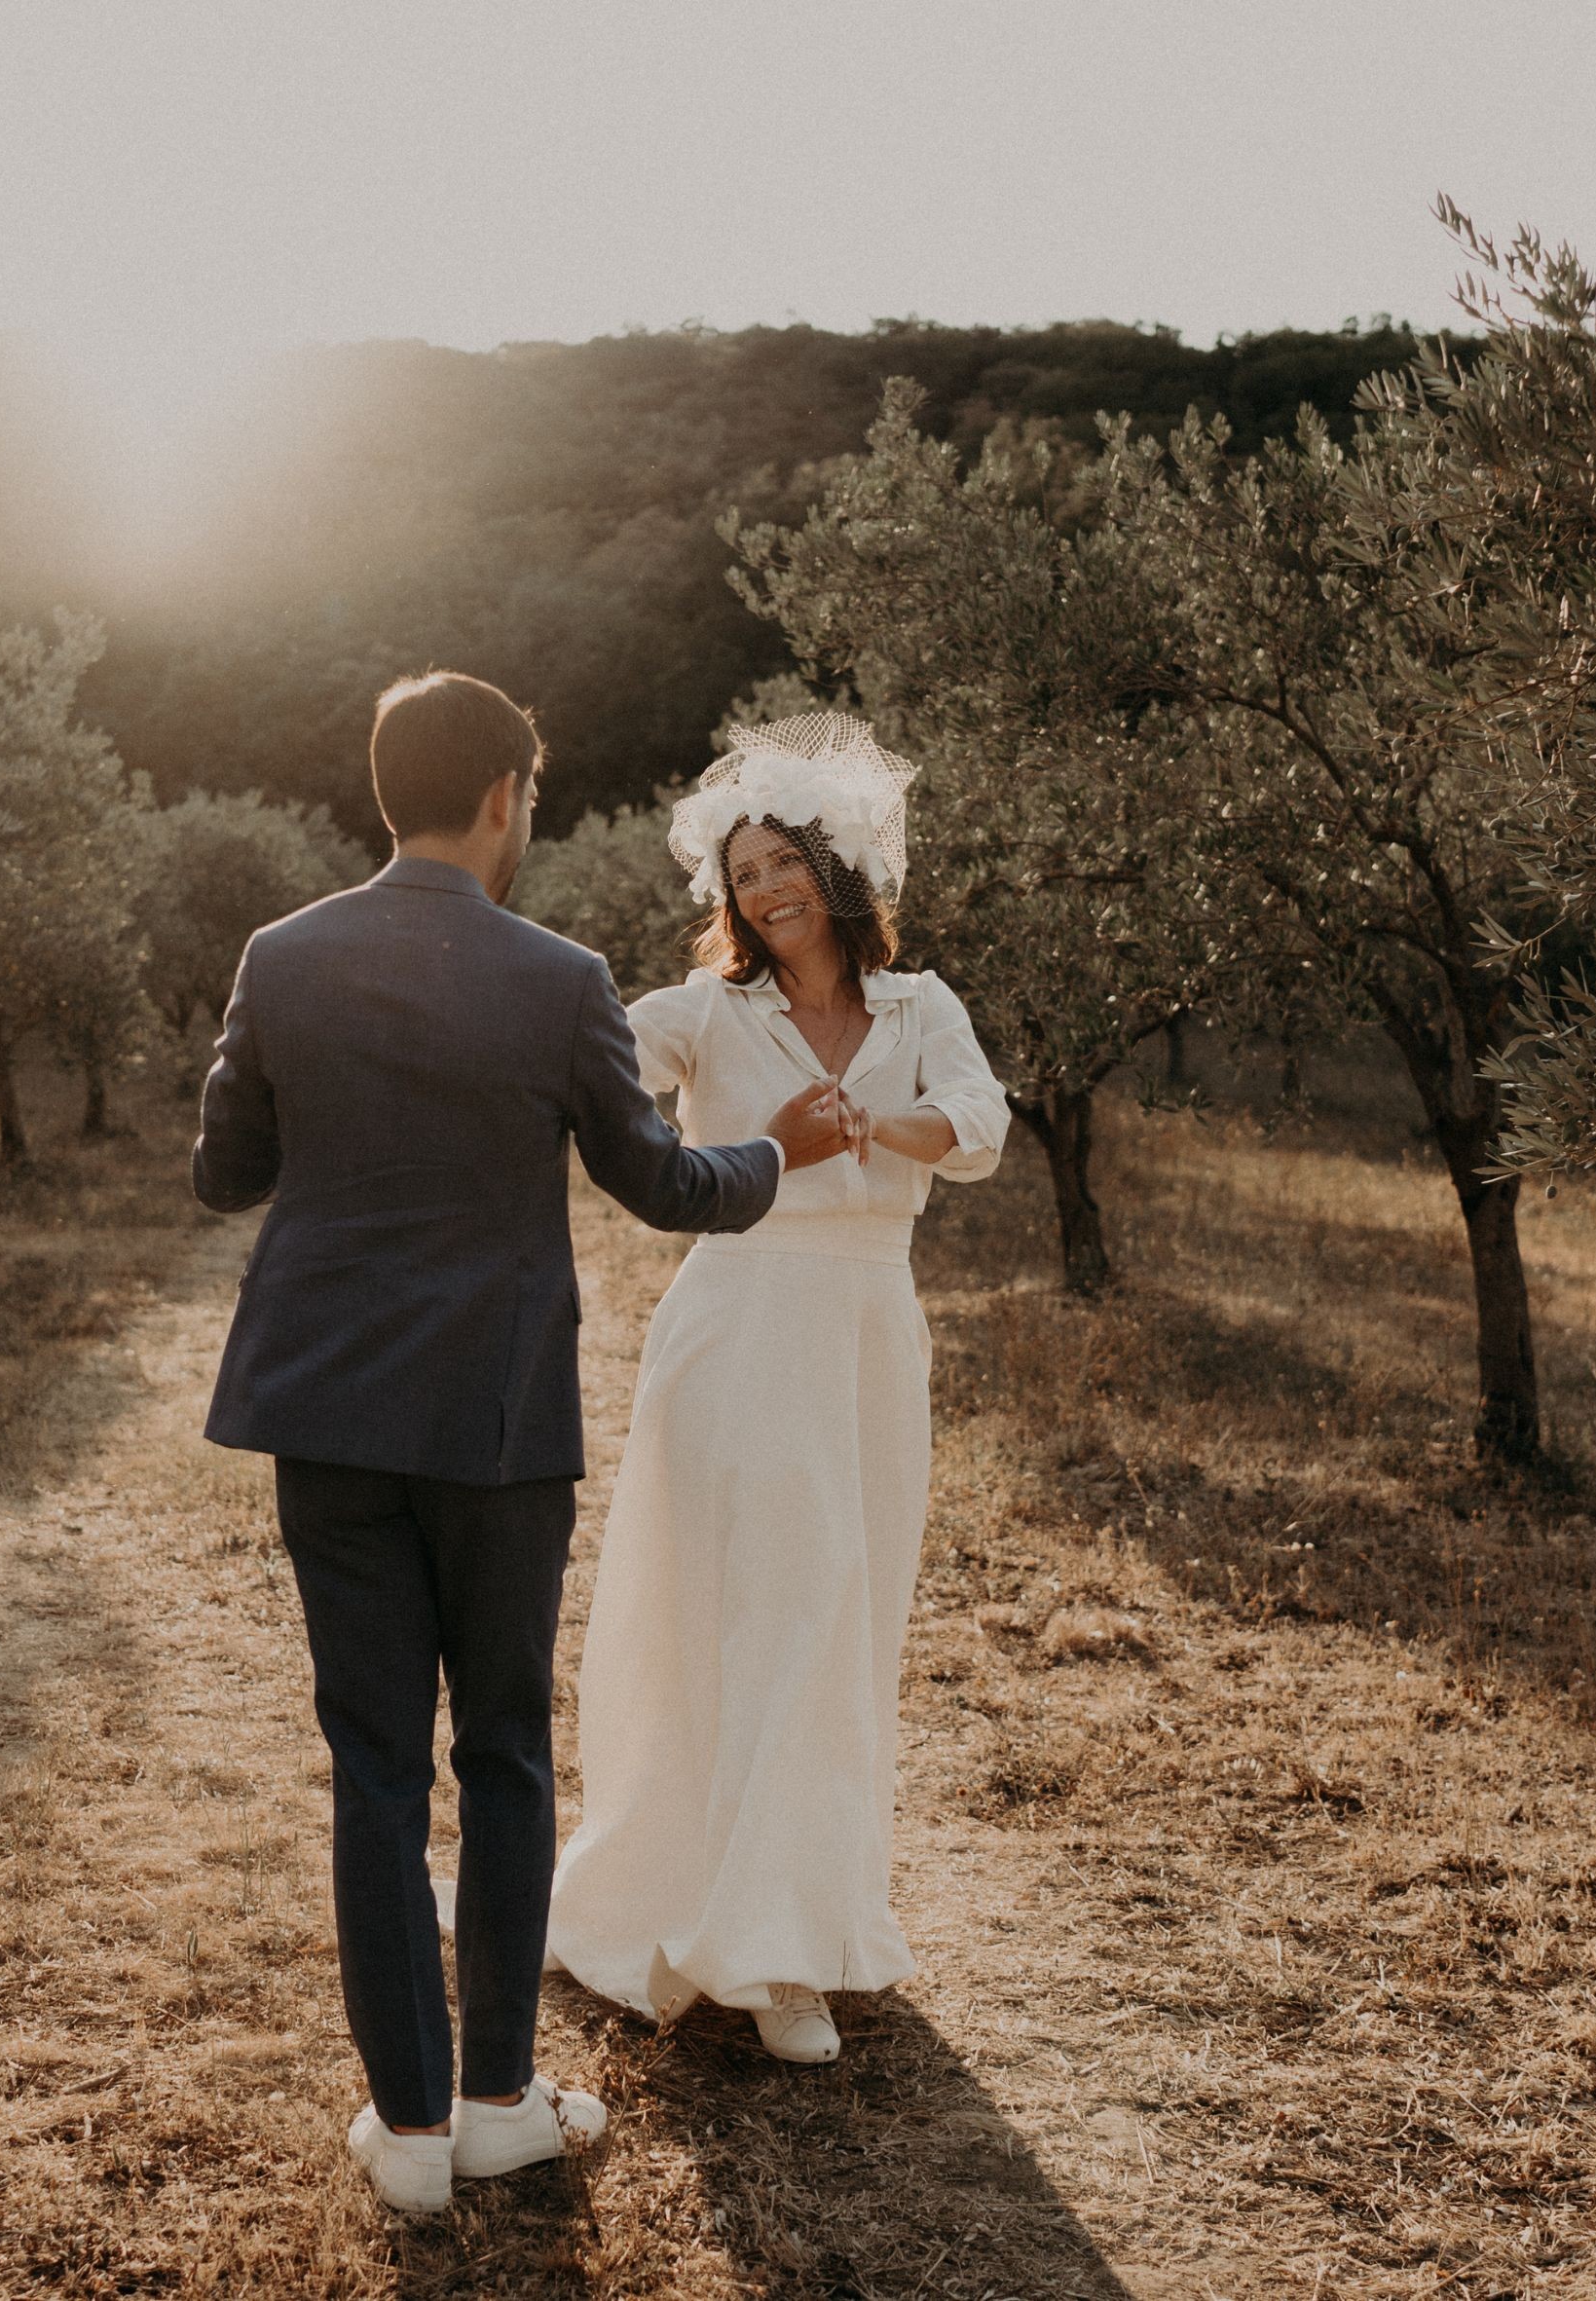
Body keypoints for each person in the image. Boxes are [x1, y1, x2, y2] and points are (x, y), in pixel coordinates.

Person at [192, 672, 865, 2217]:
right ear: (507, 796)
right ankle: (501, 2102)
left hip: (331, 1414)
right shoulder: (560, 977)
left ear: (387, 795)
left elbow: (227, 1171)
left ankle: (408, 2133)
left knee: (370, 1761)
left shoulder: (279, 957)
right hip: (498, 1422)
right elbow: (660, 1185)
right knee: (501, 1749)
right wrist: (779, 1150)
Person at [546, 712, 1009, 2065]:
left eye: (780, 864)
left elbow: (977, 1130)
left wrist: (878, 1122)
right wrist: (755, 1149)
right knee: (746, 1610)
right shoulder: (708, 1013)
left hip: (869, 1330)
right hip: (741, 1323)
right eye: (741, 874)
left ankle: (802, 1923)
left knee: (839, 1618)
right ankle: (741, 1944)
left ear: (837, 866)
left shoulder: (921, 1009)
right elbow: (598, 1082)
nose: (760, 891)